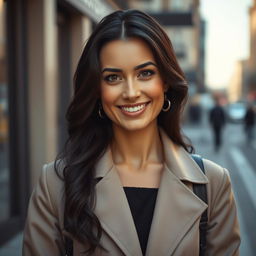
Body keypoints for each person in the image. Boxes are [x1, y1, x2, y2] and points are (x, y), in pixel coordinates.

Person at [23, 9, 240, 256]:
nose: (131, 91)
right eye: (113, 77)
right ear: (97, 89)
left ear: (165, 81)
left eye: (145, 73)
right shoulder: (55, 184)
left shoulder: (214, 184)